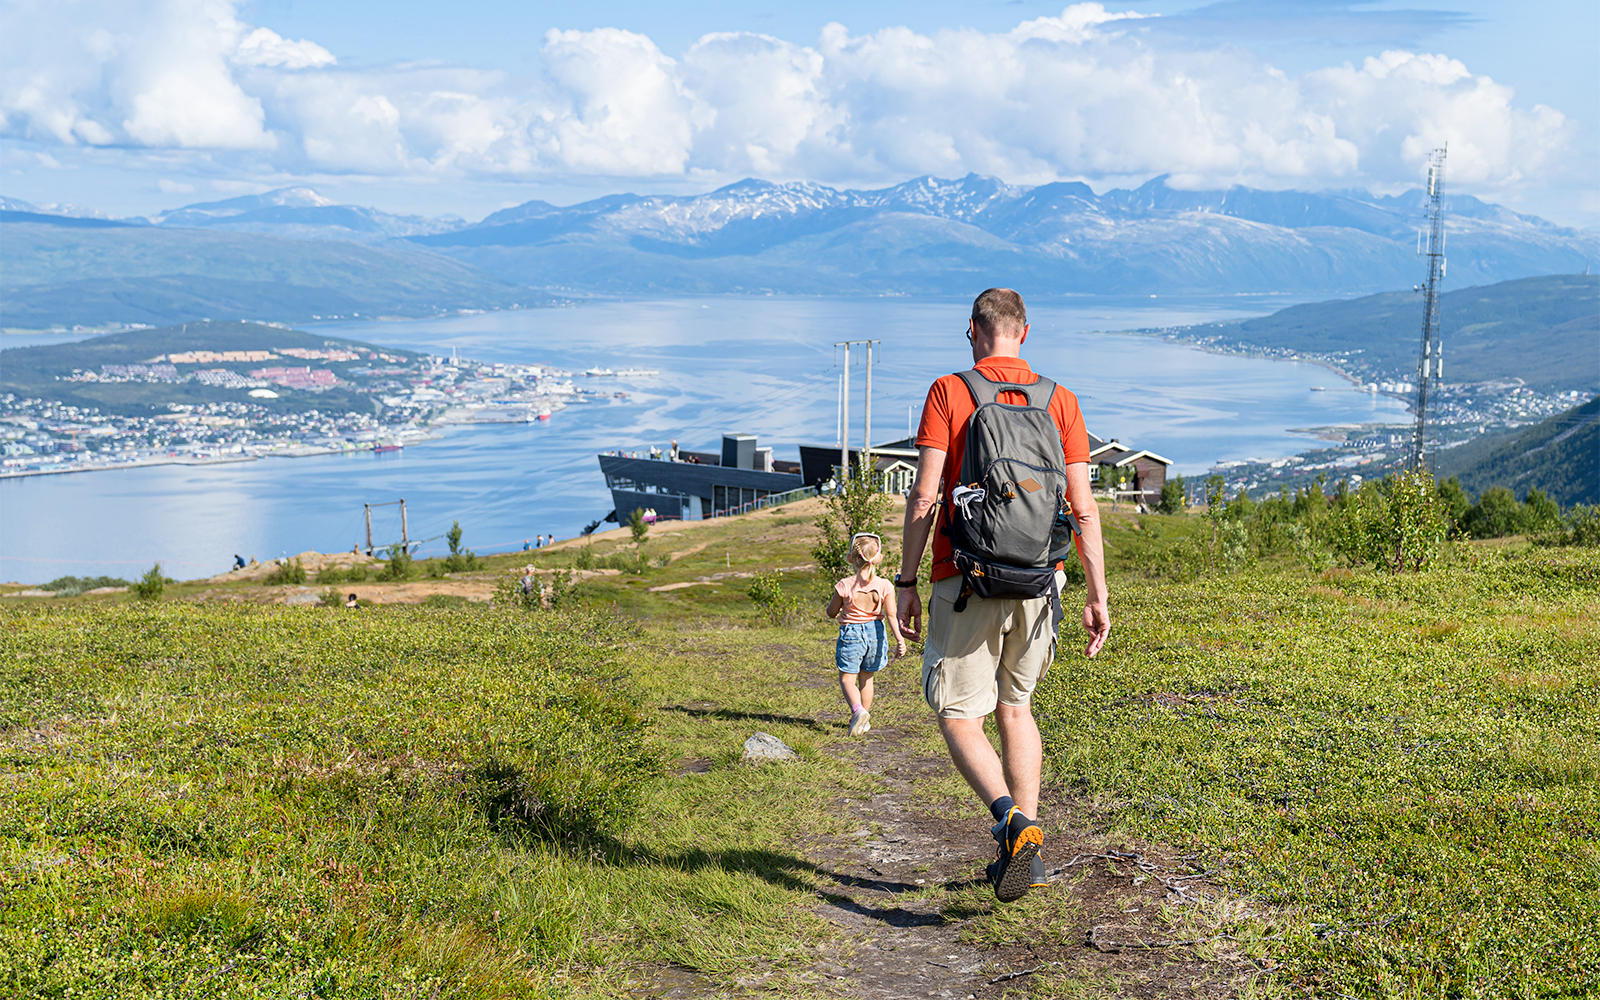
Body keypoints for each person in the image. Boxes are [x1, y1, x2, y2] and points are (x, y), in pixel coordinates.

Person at [895, 287, 1110, 903]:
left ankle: (1013, 824)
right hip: (1041, 580)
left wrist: (906, 582)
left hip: (965, 578)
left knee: (959, 714)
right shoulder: (1060, 400)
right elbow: (1084, 508)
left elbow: (924, 497)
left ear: (972, 330)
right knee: (1016, 707)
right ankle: (1030, 847)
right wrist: (1097, 595)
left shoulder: (950, 391)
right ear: (1025, 331)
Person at [825, 533, 908, 737]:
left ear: (851, 558)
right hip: (875, 634)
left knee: (847, 679)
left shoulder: (845, 585)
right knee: (867, 679)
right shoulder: (885, 585)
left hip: (852, 634)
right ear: (879, 558)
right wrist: (899, 639)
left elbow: (831, 612)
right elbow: (891, 614)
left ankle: (858, 711)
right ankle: (864, 718)